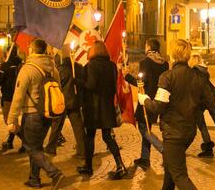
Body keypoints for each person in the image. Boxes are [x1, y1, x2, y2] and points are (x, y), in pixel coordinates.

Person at [140, 39, 215, 190]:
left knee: (179, 174)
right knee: (172, 165)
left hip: (173, 133)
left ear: (173, 54)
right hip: (189, 132)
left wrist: (144, 100)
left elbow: (158, 107)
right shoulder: (198, 76)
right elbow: (211, 103)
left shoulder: (167, 77)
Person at [6, 38, 64, 190]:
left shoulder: (28, 68)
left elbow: (18, 96)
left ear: (32, 50)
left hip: (31, 113)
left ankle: (54, 173)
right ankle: (34, 178)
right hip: (46, 113)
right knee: (36, 146)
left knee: (31, 147)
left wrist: (11, 119)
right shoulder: (53, 67)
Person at [77, 41, 127, 179]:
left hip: (94, 108)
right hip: (107, 107)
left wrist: (78, 82)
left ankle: (88, 166)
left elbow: (91, 85)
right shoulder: (111, 66)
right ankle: (120, 165)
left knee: (90, 136)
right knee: (107, 136)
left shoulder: (90, 66)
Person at [124, 38, 169, 170]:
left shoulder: (145, 62)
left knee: (144, 128)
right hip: (160, 99)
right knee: (147, 127)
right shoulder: (164, 63)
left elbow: (141, 84)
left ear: (148, 47)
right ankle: (145, 158)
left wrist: (127, 76)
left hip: (146, 101)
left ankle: (164, 151)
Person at [44, 43, 86, 158]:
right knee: (78, 128)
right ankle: (83, 151)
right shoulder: (78, 67)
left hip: (62, 102)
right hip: (75, 101)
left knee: (56, 126)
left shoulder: (61, 69)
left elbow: (58, 85)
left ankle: (51, 148)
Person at [0, 45, 24, 152]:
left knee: (9, 121)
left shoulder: (5, 66)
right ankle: (10, 142)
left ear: (8, 53)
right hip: (20, 96)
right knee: (14, 120)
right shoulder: (21, 65)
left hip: (8, 97)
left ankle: (27, 141)